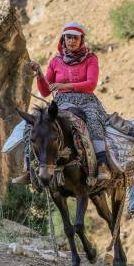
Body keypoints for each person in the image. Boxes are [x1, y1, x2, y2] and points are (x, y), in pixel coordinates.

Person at [12, 22, 111, 184]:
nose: (71, 41)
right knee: (34, 125)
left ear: (81, 40)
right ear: (63, 40)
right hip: (61, 102)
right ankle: (29, 169)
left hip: (86, 102)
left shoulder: (91, 59)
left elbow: (91, 84)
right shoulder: (56, 61)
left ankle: (102, 165)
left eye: (75, 38)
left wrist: (64, 86)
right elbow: (45, 91)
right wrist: (39, 74)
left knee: (93, 121)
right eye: (68, 38)